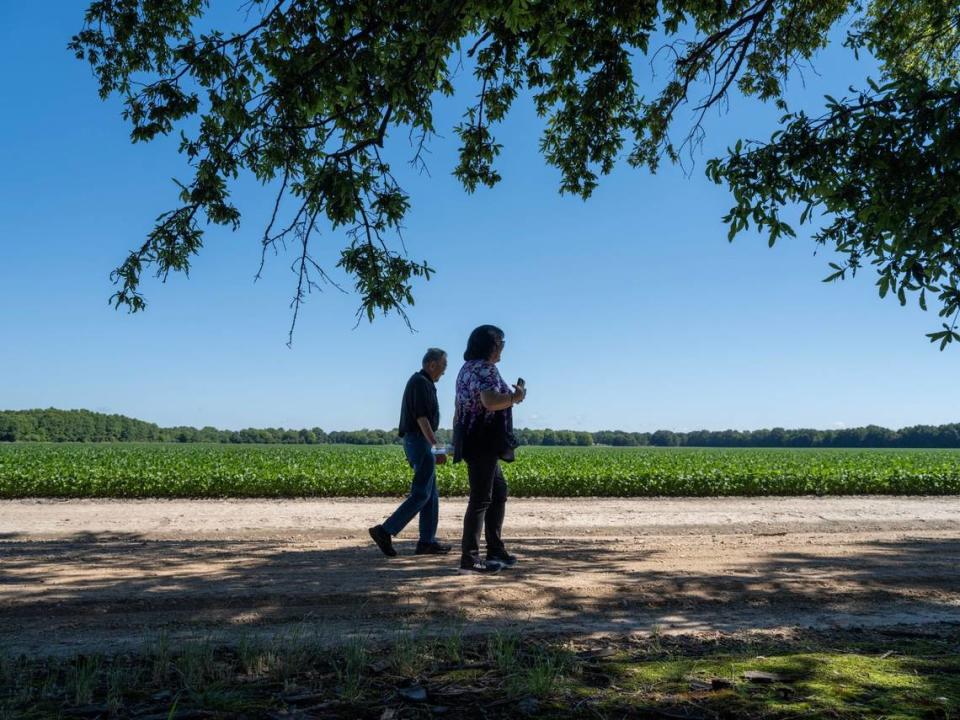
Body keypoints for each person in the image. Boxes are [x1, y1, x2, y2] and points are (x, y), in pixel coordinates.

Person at [452, 325, 526, 574]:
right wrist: (515, 398)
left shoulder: (466, 369)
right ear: (492, 345)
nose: (503, 347)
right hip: (482, 440)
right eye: (502, 343)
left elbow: (458, 405)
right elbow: (490, 401)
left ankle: (495, 549)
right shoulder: (484, 368)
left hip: (474, 439)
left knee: (498, 490)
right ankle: (470, 558)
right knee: (481, 498)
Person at [369, 348, 452, 557]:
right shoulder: (420, 383)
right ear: (432, 364)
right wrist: (435, 448)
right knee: (422, 492)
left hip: (419, 441)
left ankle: (426, 542)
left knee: (431, 494)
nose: (444, 371)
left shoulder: (425, 383)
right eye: (443, 366)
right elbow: (421, 419)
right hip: (419, 441)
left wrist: (436, 447)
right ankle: (385, 530)